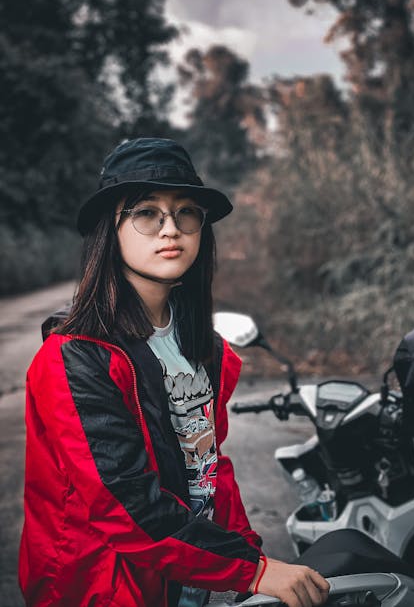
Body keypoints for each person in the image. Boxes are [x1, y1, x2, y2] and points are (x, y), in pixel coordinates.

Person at [19, 138, 330, 607]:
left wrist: (247, 556)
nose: (171, 229)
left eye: (187, 212)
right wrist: (253, 571)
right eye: (147, 212)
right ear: (112, 230)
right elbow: (124, 504)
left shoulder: (206, 349)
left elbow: (210, 469)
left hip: (189, 581)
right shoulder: (77, 356)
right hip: (109, 589)